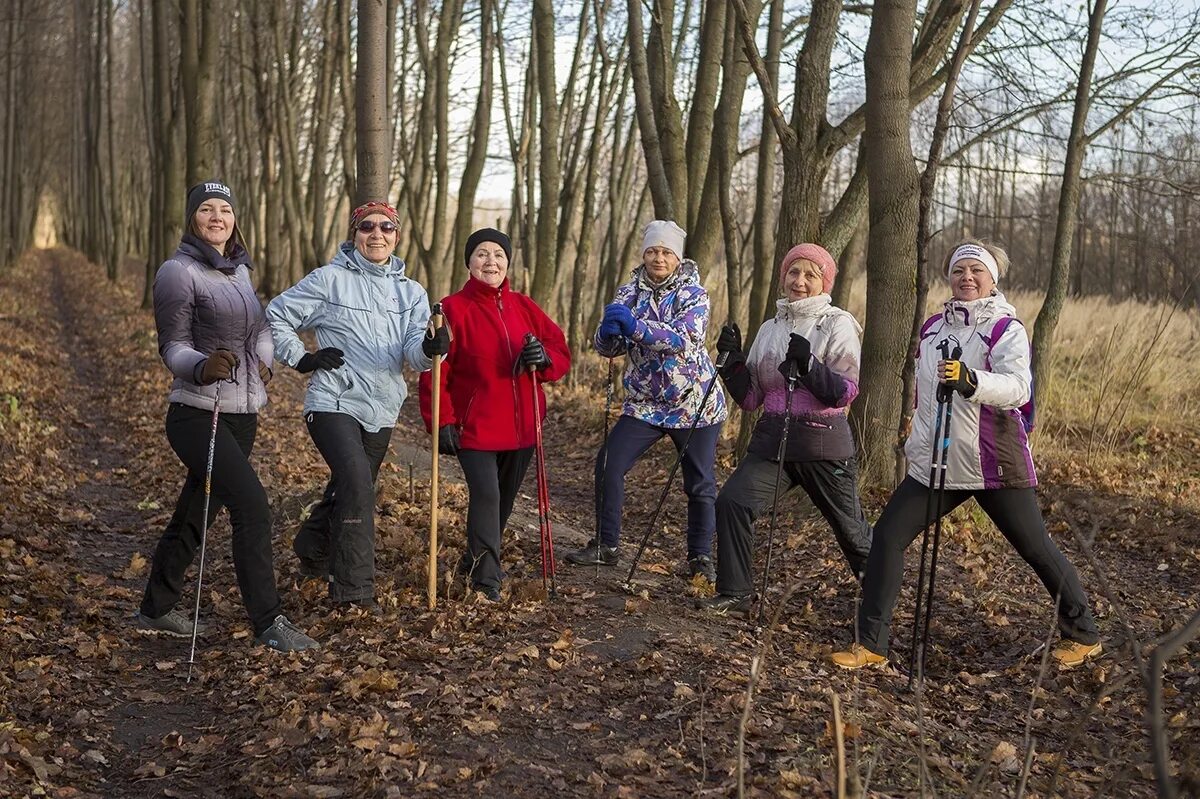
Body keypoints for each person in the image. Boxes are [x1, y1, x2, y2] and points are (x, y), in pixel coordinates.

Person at [831, 240, 1102, 670]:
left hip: (993, 460)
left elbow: (1018, 387)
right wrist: (915, 439)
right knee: (887, 537)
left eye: (977, 271)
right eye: (959, 271)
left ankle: (1084, 633)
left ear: (993, 279)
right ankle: (872, 645)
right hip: (937, 462)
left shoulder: (1004, 329)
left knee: (1035, 547)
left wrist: (972, 380)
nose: (967, 278)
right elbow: (923, 394)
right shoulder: (933, 327)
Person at [135, 180, 318, 652]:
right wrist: (200, 366)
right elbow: (171, 344)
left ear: (234, 219)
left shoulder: (238, 272)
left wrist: (263, 359)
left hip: (241, 414)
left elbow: (259, 328)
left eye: (224, 209)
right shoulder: (177, 272)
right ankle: (269, 621)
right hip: (197, 414)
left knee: (198, 507)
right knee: (252, 506)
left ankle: (155, 608)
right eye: (206, 209)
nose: (217, 217)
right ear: (193, 218)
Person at [266, 201, 448, 611]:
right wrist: (303, 358)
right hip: (333, 399)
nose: (377, 234)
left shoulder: (411, 292)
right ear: (355, 234)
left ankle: (312, 544)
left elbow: (415, 356)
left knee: (351, 485)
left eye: (387, 228)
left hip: (382, 406)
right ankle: (355, 591)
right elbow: (276, 314)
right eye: (367, 227)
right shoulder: (329, 280)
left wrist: (432, 348)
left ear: (397, 236)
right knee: (358, 485)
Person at [697, 244, 872, 615]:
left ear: (824, 282)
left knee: (852, 532)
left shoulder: (836, 323)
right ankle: (735, 592)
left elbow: (845, 392)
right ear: (783, 277)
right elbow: (751, 399)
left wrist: (809, 364)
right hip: (774, 442)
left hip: (822, 444)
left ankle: (877, 602)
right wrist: (730, 362)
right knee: (733, 502)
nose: (800, 281)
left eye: (810, 275)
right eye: (794, 273)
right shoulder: (771, 328)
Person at [564, 220, 727, 582]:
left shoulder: (694, 294)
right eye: (652, 251)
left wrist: (635, 328)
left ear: (677, 257)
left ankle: (700, 559)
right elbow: (610, 345)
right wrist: (606, 336)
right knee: (609, 463)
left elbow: (686, 339)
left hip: (693, 403)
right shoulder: (628, 293)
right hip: (645, 402)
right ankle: (607, 546)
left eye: (666, 252)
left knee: (699, 483)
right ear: (644, 253)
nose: (658, 258)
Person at [418, 228, 570, 601]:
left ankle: (475, 559)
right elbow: (435, 370)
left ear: (507, 262)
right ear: (469, 263)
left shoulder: (524, 305)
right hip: (476, 427)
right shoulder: (451, 308)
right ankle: (487, 581)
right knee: (486, 496)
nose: (491, 261)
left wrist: (544, 359)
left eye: (498, 254)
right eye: (482, 254)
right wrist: (441, 421)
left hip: (522, 427)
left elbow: (559, 349)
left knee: (502, 501)